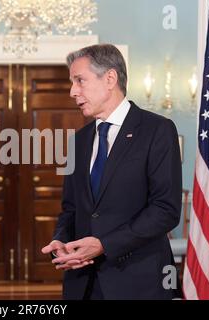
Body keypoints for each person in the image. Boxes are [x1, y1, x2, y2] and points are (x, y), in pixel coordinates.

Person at [42, 44, 182, 300]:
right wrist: (61, 242)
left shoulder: (157, 130)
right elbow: (71, 209)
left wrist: (104, 245)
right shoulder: (79, 140)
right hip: (83, 283)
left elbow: (165, 210)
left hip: (138, 282)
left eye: (80, 81)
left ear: (110, 78)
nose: (73, 91)